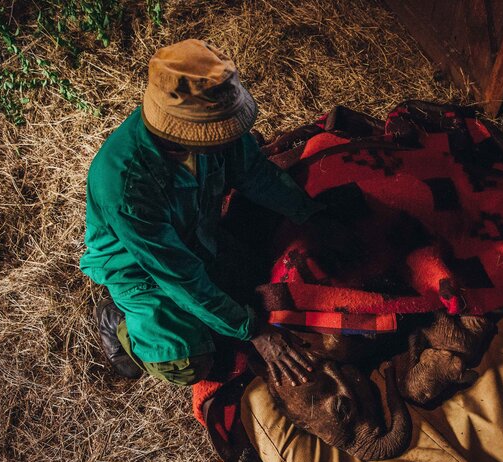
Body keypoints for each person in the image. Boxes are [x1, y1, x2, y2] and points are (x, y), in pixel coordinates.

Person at [80, 39, 325, 387]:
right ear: (182, 132)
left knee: (261, 276)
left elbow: (253, 173)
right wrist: (253, 331)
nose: (228, 137)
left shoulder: (212, 127)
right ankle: (120, 322)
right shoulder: (125, 186)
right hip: (143, 271)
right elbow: (177, 274)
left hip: (199, 236)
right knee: (190, 362)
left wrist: (309, 213)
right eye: (218, 132)